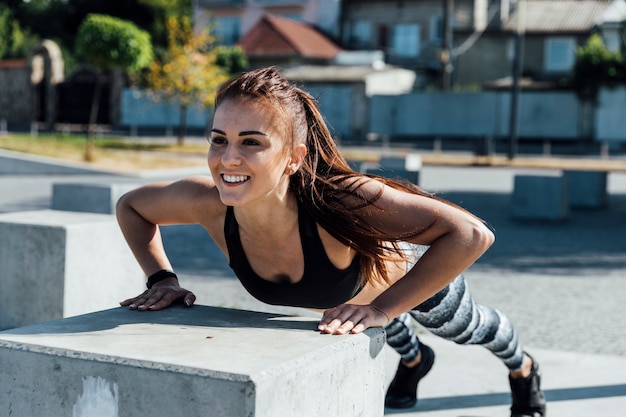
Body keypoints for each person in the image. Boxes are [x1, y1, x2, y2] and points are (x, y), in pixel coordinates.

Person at [116, 67, 546, 417]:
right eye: (218, 139)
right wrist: (162, 278)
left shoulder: (341, 199)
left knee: (465, 329)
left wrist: (381, 307)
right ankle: (415, 362)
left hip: (410, 277)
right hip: (356, 303)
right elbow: (132, 207)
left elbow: (471, 234)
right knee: (376, 326)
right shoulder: (208, 203)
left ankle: (525, 370)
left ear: (293, 158)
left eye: (252, 143)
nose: (228, 158)